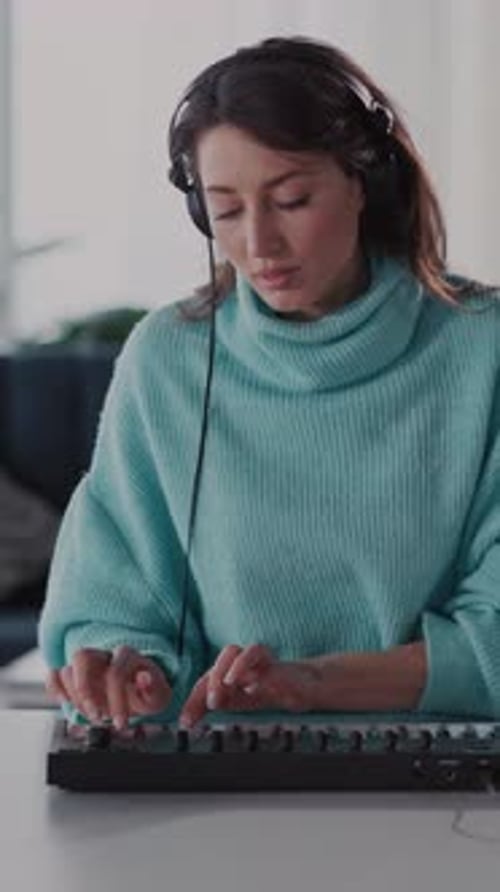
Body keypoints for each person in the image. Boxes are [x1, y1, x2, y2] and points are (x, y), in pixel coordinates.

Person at [39, 35, 500, 732]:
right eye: (225, 210)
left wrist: (314, 682)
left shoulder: (482, 346)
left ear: (363, 181)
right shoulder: (167, 360)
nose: (259, 244)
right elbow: (111, 602)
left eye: (290, 199)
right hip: (217, 779)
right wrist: (124, 672)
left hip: (441, 774)